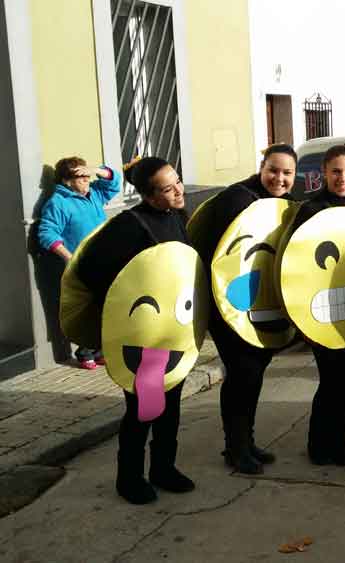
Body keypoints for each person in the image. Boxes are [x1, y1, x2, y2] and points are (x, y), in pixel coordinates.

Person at [76, 157, 195, 504]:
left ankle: (163, 468)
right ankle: (129, 479)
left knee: (170, 406)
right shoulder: (129, 225)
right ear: (148, 195)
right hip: (143, 340)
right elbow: (89, 269)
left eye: (178, 181)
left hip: (173, 334)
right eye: (168, 188)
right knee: (144, 410)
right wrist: (127, 305)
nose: (178, 190)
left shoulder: (176, 217)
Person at [192, 144, 297, 475]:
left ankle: (245, 441)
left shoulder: (282, 204)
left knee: (253, 374)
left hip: (263, 303)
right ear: (262, 166)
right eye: (274, 170)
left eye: (287, 173)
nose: (279, 178)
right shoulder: (236, 199)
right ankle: (235, 447)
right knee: (242, 374)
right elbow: (210, 251)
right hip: (229, 306)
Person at [288, 145, 345, 466]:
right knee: (331, 380)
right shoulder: (310, 210)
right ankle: (320, 445)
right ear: (323, 172)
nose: (343, 178)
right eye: (336, 171)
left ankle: (337, 443)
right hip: (321, 310)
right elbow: (295, 264)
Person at [37, 156, 122, 369]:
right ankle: (84, 353)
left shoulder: (94, 194)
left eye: (87, 175)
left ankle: (100, 349)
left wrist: (95, 169)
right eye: (80, 176)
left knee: (105, 305)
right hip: (81, 264)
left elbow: (114, 184)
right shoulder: (59, 202)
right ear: (66, 181)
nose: (86, 179)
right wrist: (69, 257)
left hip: (103, 259)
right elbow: (47, 233)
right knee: (87, 309)